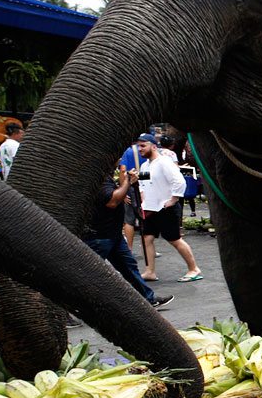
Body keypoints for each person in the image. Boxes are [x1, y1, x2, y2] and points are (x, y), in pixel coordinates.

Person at [83, 166, 174, 310]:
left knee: (128, 267)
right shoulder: (100, 178)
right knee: (86, 274)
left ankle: (147, 298)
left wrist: (123, 185)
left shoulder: (104, 176)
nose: (120, 162)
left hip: (112, 235)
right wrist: (128, 182)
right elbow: (112, 201)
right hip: (101, 236)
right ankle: (65, 310)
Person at [136, 133, 202, 283]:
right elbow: (143, 185)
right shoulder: (145, 165)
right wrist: (144, 201)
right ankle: (149, 271)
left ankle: (194, 269)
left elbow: (179, 182)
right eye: (139, 146)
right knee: (147, 238)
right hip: (150, 209)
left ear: (153, 146)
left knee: (174, 239)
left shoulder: (164, 162)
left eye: (143, 146)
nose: (140, 149)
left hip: (166, 209)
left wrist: (172, 200)